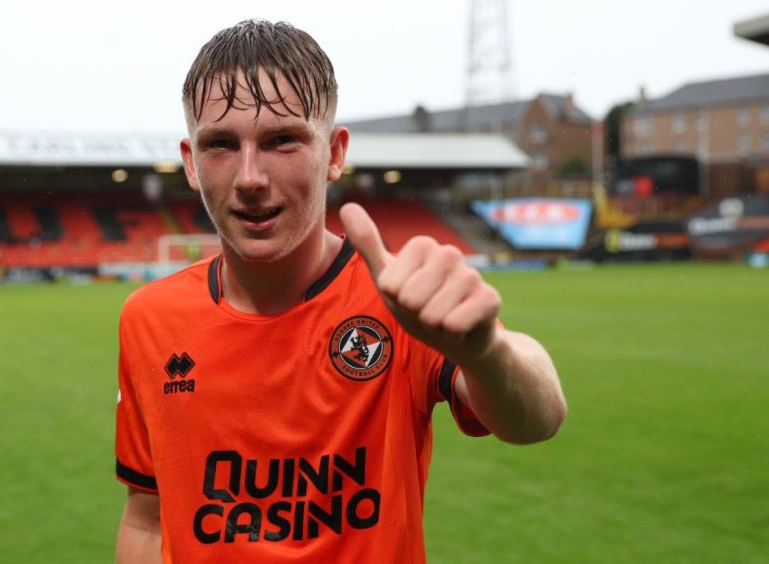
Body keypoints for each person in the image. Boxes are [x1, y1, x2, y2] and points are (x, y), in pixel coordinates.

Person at [115, 19, 567, 563]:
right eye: (221, 145)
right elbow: (146, 520)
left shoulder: (399, 299)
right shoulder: (150, 318)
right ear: (190, 163)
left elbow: (538, 419)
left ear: (334, 152)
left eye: (282, 139)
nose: (250, 177)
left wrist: (484, 350)